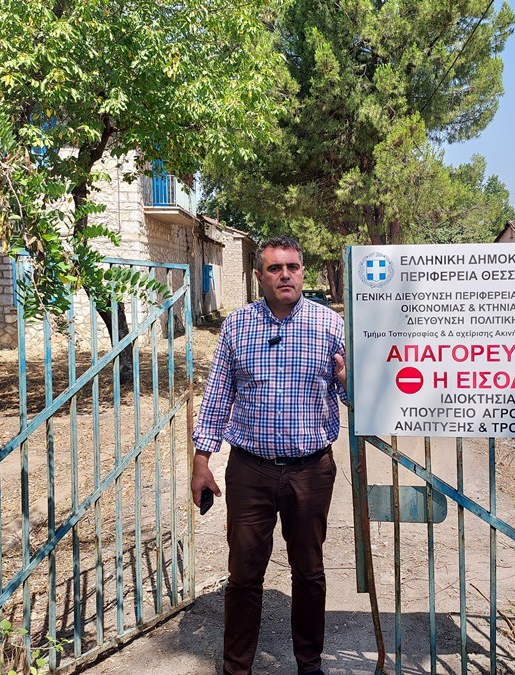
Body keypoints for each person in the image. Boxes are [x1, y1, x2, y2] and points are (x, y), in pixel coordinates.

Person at [191, 236, 347, 675]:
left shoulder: (329, 325)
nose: (285, 275)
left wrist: (347, 378)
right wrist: (202, 462)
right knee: (243, 575)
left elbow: (353, 395)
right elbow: (218, 396)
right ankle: (236, 668)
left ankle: (309, 664)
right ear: (259, 275)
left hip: (310, 471)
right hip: (250, 471)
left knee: (309, 572)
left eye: (292, 267)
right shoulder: (237, 326)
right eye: (275, 268)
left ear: (303, 271)